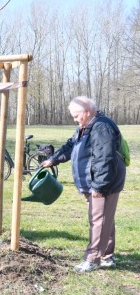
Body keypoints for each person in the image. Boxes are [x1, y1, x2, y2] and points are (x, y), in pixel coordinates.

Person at [41, 96, 126, 273]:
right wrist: (53, 159)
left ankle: (92, 259)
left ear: (87, 112)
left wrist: (100, 186)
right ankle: (107, 256)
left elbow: (104, 158)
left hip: (103, 182)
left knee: (98, 220)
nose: (74, 119)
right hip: (93, 181)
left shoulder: (101, 127)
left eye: (76, 115)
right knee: (104, 218)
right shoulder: (85, 127)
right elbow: (71, 146)